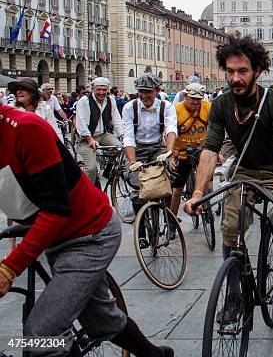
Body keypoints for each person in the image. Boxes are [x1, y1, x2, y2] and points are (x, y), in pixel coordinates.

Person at [0, 103, 174, 357]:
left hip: (89, 234)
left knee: (42, 334)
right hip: (55, 234)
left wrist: (9, 267)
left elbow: (56, 211)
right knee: (102, 320)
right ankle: (154, 355)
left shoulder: (26, 129)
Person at [184, 34, 273, 299]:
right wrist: (197, 193)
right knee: (230, 229)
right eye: (230, 71)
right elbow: (210, 148)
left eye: (242, 71)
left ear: (257, 71)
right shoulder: (220, 104)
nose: (235, 78)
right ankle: (233, 293)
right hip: (244, 170)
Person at [122, 73, 178, 246]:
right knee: (137, 186)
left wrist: (169, 153)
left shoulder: (166, 106)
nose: (144, 95)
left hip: (157, 146)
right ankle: (141, 234)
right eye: (141, 92)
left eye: (148, 91)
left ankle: (169, 218)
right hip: (137, 148)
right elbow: (128, 137)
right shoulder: (129, 107)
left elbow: (170, 129)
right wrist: (132, 162)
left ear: (157, 90)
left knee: (166, 180)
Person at [169, 83, 212, 218]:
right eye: (192, 98)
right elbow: (170, 133)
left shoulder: (208, 107)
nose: (195, 102)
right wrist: (170, 155)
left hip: (202, 150)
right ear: (185, 96)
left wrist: (218, 150)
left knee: (209, 186)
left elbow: (215, 128)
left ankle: (207, 210)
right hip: (182, 152)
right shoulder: (176, 110)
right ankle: (172, 221)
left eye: (198, 99)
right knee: (177, 190)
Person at [75, 77, 124, 183]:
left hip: (103, 134)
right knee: (91, 169)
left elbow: (116, 119)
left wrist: (122, 135)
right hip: (86, 138)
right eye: (98, 89)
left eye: (104, 90)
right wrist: (89, 139)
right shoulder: (84, 101)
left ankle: (108, 170)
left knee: (120, 148)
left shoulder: (110, 100)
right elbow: (81, 124)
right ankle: (87, 191)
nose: (101, 92)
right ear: (93, 89)